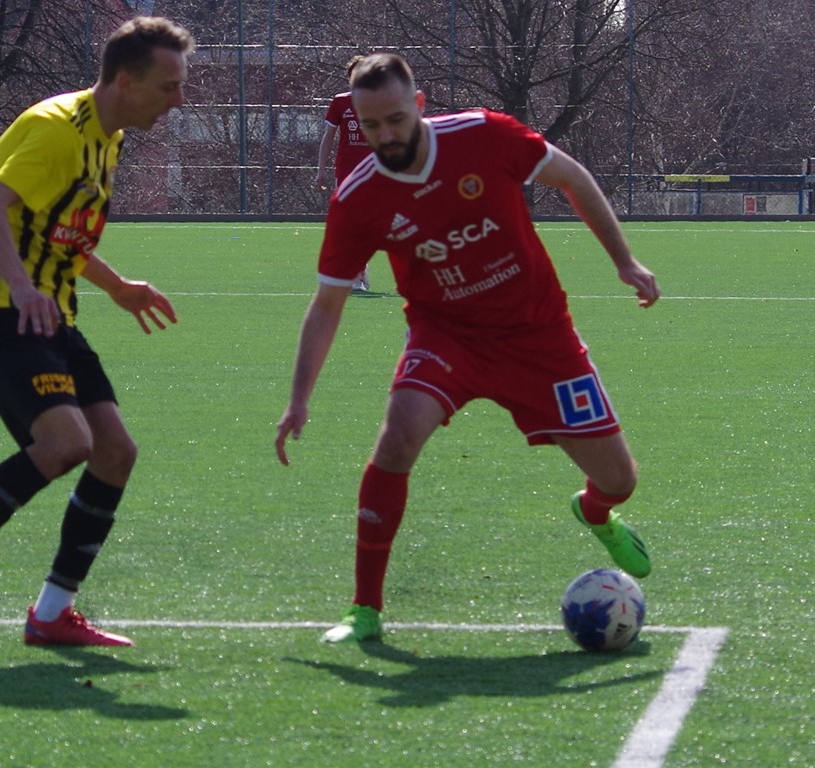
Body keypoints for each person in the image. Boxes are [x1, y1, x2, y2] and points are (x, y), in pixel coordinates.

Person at [275, 53, 660, 644]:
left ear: (420, 105)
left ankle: (595, 511)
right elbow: (327, 305)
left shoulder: (485, 135)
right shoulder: (359, 198)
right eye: (371, 125)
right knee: (398, 434)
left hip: (540, 336)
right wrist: (299, 399)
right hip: (446, 336)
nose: (385, 136)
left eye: (396, 120)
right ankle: (364, 608)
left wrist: (624, 261)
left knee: (620, 479)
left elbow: (574, 178)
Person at [0, 17, 194, 646]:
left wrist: (115, 286)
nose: (178, 100)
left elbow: (59, 230)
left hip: (49, 312)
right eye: (168, 86)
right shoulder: (57, 131)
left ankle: (53, 612)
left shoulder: (105, 137)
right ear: (125, 80)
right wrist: (25, 287)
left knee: (116, 452)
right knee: (65, 443)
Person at [315, 55, 373, 293]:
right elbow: (328, 138)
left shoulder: (379, 101)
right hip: (347, 173)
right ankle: (357, 274)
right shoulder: (340, 103)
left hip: (375, 172)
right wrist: (321, 170)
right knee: (351, 224)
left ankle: (361, 271)